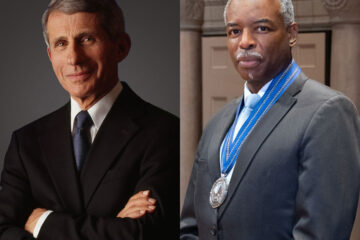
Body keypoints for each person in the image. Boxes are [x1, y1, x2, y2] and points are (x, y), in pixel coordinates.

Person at [180, 0, 360, 239]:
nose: (245, 42)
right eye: (234, 31)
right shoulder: (218, 122)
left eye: (262, 28)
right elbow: (191, 227)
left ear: (291, 33)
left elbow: (319, 234)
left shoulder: (329, 112)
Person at [0, 0, 179, 239]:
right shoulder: (26, 143)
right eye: (61, 43)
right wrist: (113, 226)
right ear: (50, 55)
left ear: (121, 47)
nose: (74, 58)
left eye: (87, 39)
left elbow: (143, 234)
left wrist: (41, 222)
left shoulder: (165, 132)